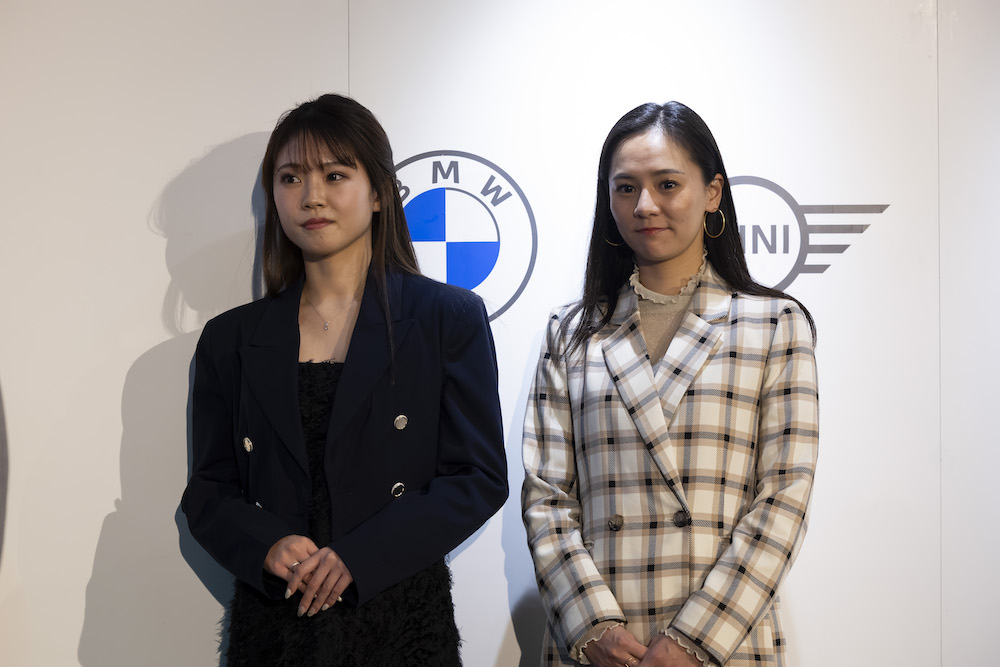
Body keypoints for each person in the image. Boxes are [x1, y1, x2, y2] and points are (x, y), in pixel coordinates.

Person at [182, 93, 508, 666]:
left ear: (379, 192)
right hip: (276, 621)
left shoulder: (447, 319)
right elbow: (209, 490)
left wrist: (362, 554)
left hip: (401, 618)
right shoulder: (230, 338)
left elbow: (477, 476)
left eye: (335, 175)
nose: (312, 196)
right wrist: (266, 545)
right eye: (291, 178)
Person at [521, 102, 819, 667]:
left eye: (667, 184)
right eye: (626, 188)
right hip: (600, 647)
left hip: (723, 639)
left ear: (712, 192)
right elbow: (547, 496)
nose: (645, 205)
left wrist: (693, 640)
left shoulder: (774, 324)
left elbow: (784, 495)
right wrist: (592, 626)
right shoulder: (571, 331)